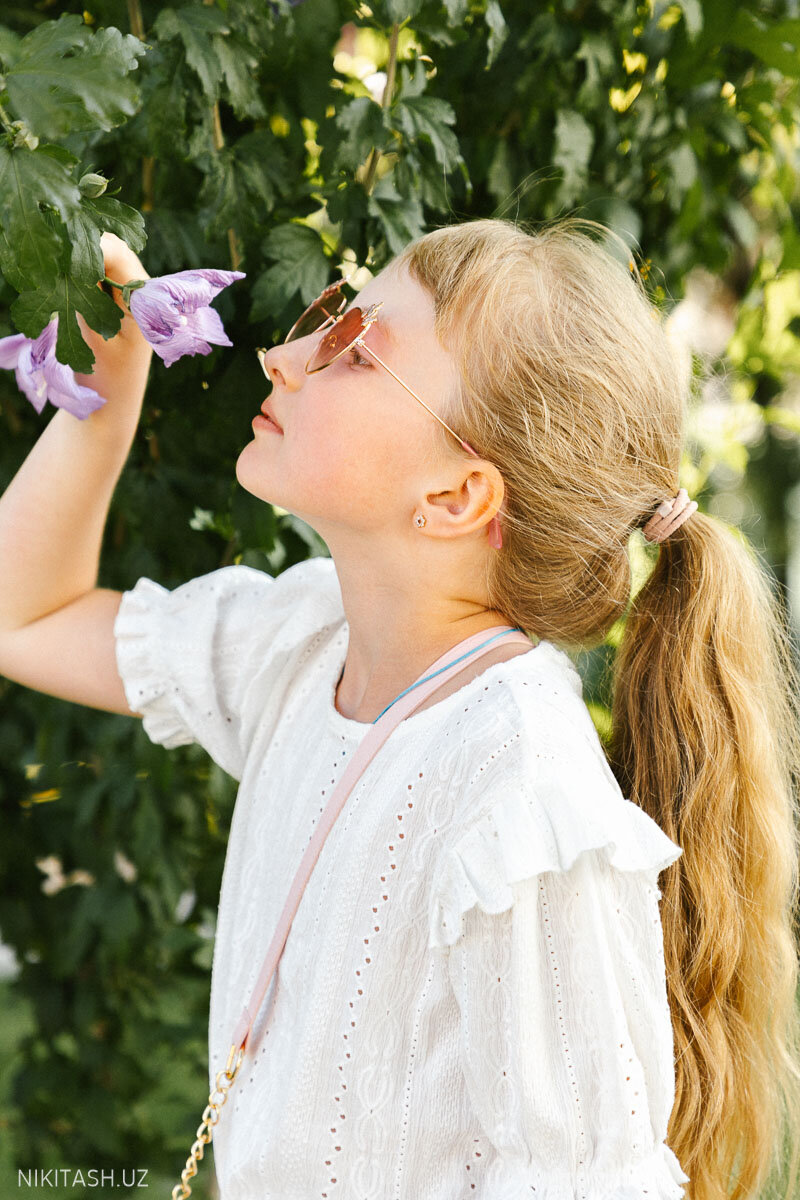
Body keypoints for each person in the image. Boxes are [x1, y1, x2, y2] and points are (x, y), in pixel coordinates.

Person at [0, 217, 798, 1200]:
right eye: (331, 314)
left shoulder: (520, 801)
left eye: (354, 349)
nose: (283, 356)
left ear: (458, 497)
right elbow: (23, 616)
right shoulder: (304, 644)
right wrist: (108, 386)